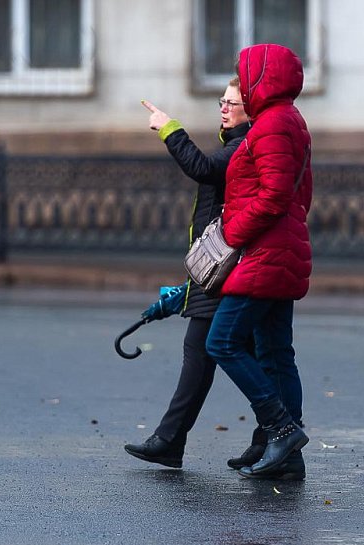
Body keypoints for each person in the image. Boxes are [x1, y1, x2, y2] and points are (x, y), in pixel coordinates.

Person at [123, 78, 252, 468]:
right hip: (214, 266)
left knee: (209, 352)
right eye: (223, 101)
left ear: (252, 108)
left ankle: (276, 431)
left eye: (233, 103)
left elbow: (200, 168)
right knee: (231, 353)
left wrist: (168, 128)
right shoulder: (236, 144)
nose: (224, 108)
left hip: (223, 267)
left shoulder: (241, 148)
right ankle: (273, 434)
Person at [205, 44, 313, 481]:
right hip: (280, 248)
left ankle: (281, 430)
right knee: (274, 352)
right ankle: (286, 456)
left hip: (265, 252)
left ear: (260, 78)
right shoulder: (289, 120)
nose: (241, 85)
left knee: (222, 342)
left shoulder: (271, 125)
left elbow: (273, 196)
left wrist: (232, 232)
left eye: (244, 77)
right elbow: (299, 194)